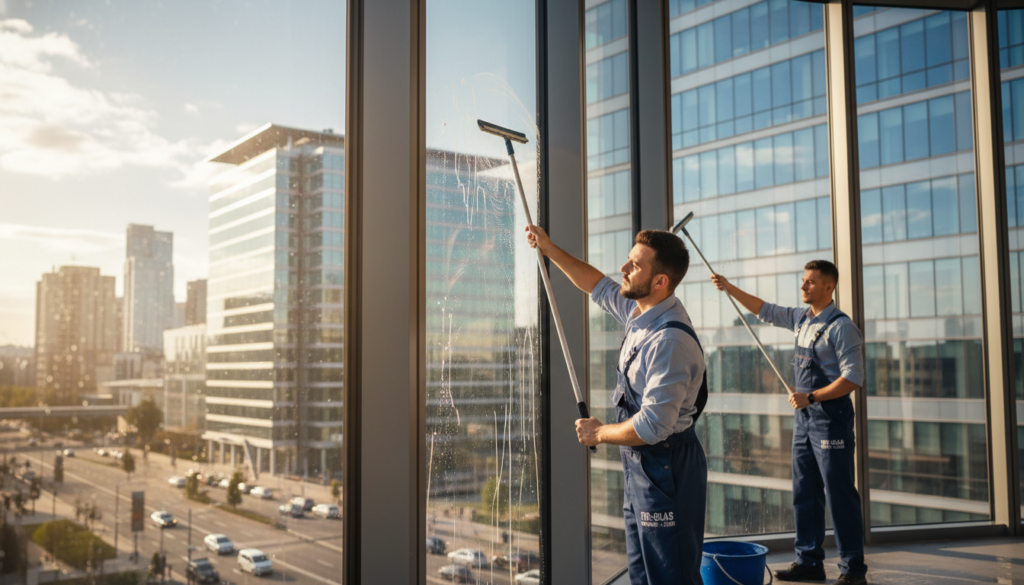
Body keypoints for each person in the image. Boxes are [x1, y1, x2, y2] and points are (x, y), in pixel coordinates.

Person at [526, 225, 708, 585]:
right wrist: (549, 249)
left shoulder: (668, 340)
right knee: (643, 571)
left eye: (634, 265)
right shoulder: (641, 313)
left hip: (666, 464)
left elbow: (653, 426)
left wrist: (599, 433)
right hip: (642, 465)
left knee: (671, 574)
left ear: (659, 281)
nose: (623, 269)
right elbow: (596, 283)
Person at [711, 260, 868, 585]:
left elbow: (854, 378)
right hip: (805, 421)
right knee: (805, 490)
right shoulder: (800, 318)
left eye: (810, 282)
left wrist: (811, 397)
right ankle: (809, 562)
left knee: (839, 494)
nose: (803, 287)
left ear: (829, 287)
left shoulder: (841, 327)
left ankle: (853, 571)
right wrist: (729, 287)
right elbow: (764, 310)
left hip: (830, 420)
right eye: (803, 281)